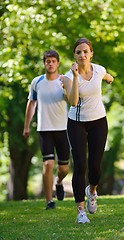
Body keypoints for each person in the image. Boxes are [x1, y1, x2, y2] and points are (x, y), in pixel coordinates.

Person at [62, 38, 114, 223]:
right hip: (77, 123)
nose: (82, 55)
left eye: (86, 51)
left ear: (91, 53)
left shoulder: (99, 69)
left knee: (95, 167)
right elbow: (74, 101)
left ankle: (92, 191)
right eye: (78, 52)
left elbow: (108, 76)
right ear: (74, 56)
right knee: (80, 165)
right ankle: (80, 212)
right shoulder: (68, 77)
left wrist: (110, 80)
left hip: (99, 121)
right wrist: (76, 77)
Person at [23, 50, 70, 210]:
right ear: (44, 63)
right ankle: (49, 200)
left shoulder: (64, 81)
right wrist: (26, 126)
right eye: (47, 61)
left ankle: (59, 182)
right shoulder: (37, 82)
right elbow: (31, 104)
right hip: (45, 130)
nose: (50, 64)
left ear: (58, 63)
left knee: (64, 168)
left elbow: (74, 99)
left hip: (63, 129)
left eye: (53, 61)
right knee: (48, 164)